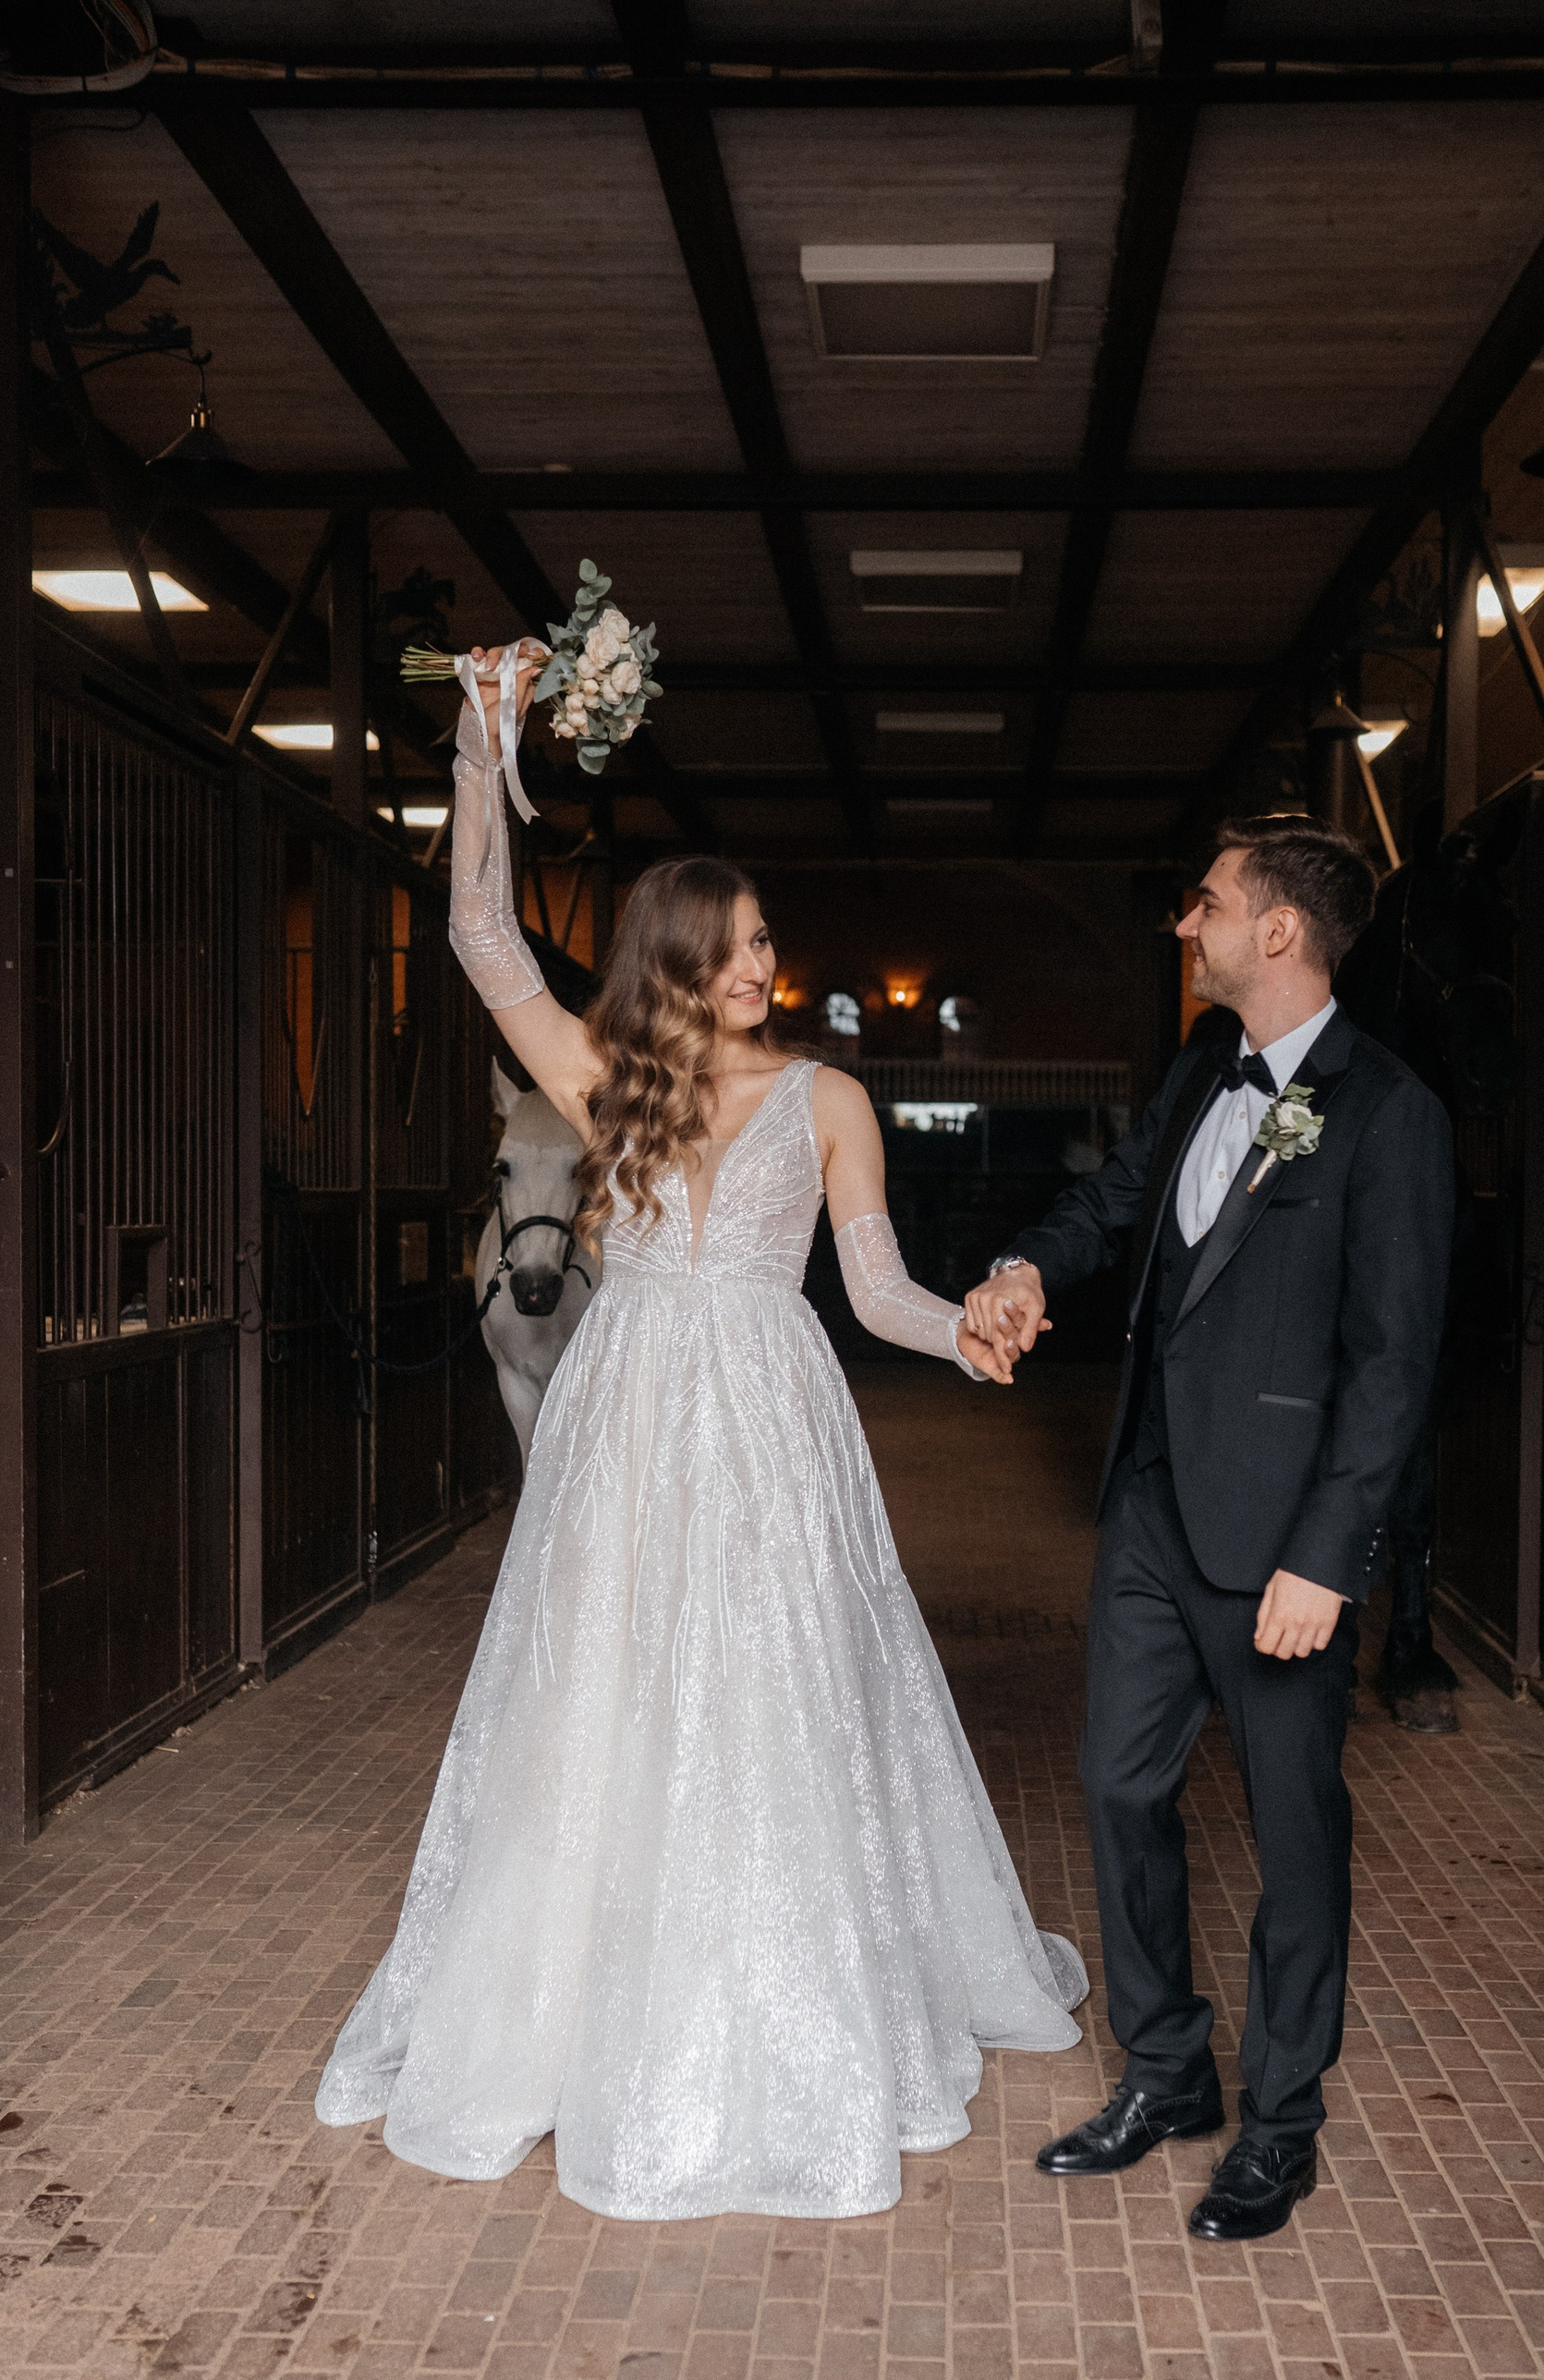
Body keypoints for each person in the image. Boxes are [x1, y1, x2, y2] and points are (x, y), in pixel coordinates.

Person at [316, 646, 1086, 2221]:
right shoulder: (605, 1078)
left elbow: (874, 1290)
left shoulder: (830, 1098)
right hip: (628, 1418)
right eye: (733, 946)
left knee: (772, 1686)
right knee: (604, 1682)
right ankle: (577, 2001)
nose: (759, 964)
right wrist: (482, 740)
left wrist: (966, 1329)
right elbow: (478, 935)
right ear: (673, 958)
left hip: (772, 1420)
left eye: (765, 941)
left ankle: (779, 1995)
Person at [965, 817, 1454, 2241]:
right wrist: (1020, 1268)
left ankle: (1280, 2125)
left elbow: (1393, 1366)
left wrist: (1329, 1555)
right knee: (1119, 1789)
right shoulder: (1201, 1066)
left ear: (1279, 931)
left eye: (1210, 904)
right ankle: (1167, 2072)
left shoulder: (1389, 1113)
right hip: (1151, 1511)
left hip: (1283, 1544)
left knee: (1295, 1834)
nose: (1188, 925)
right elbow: (1116, 1202)